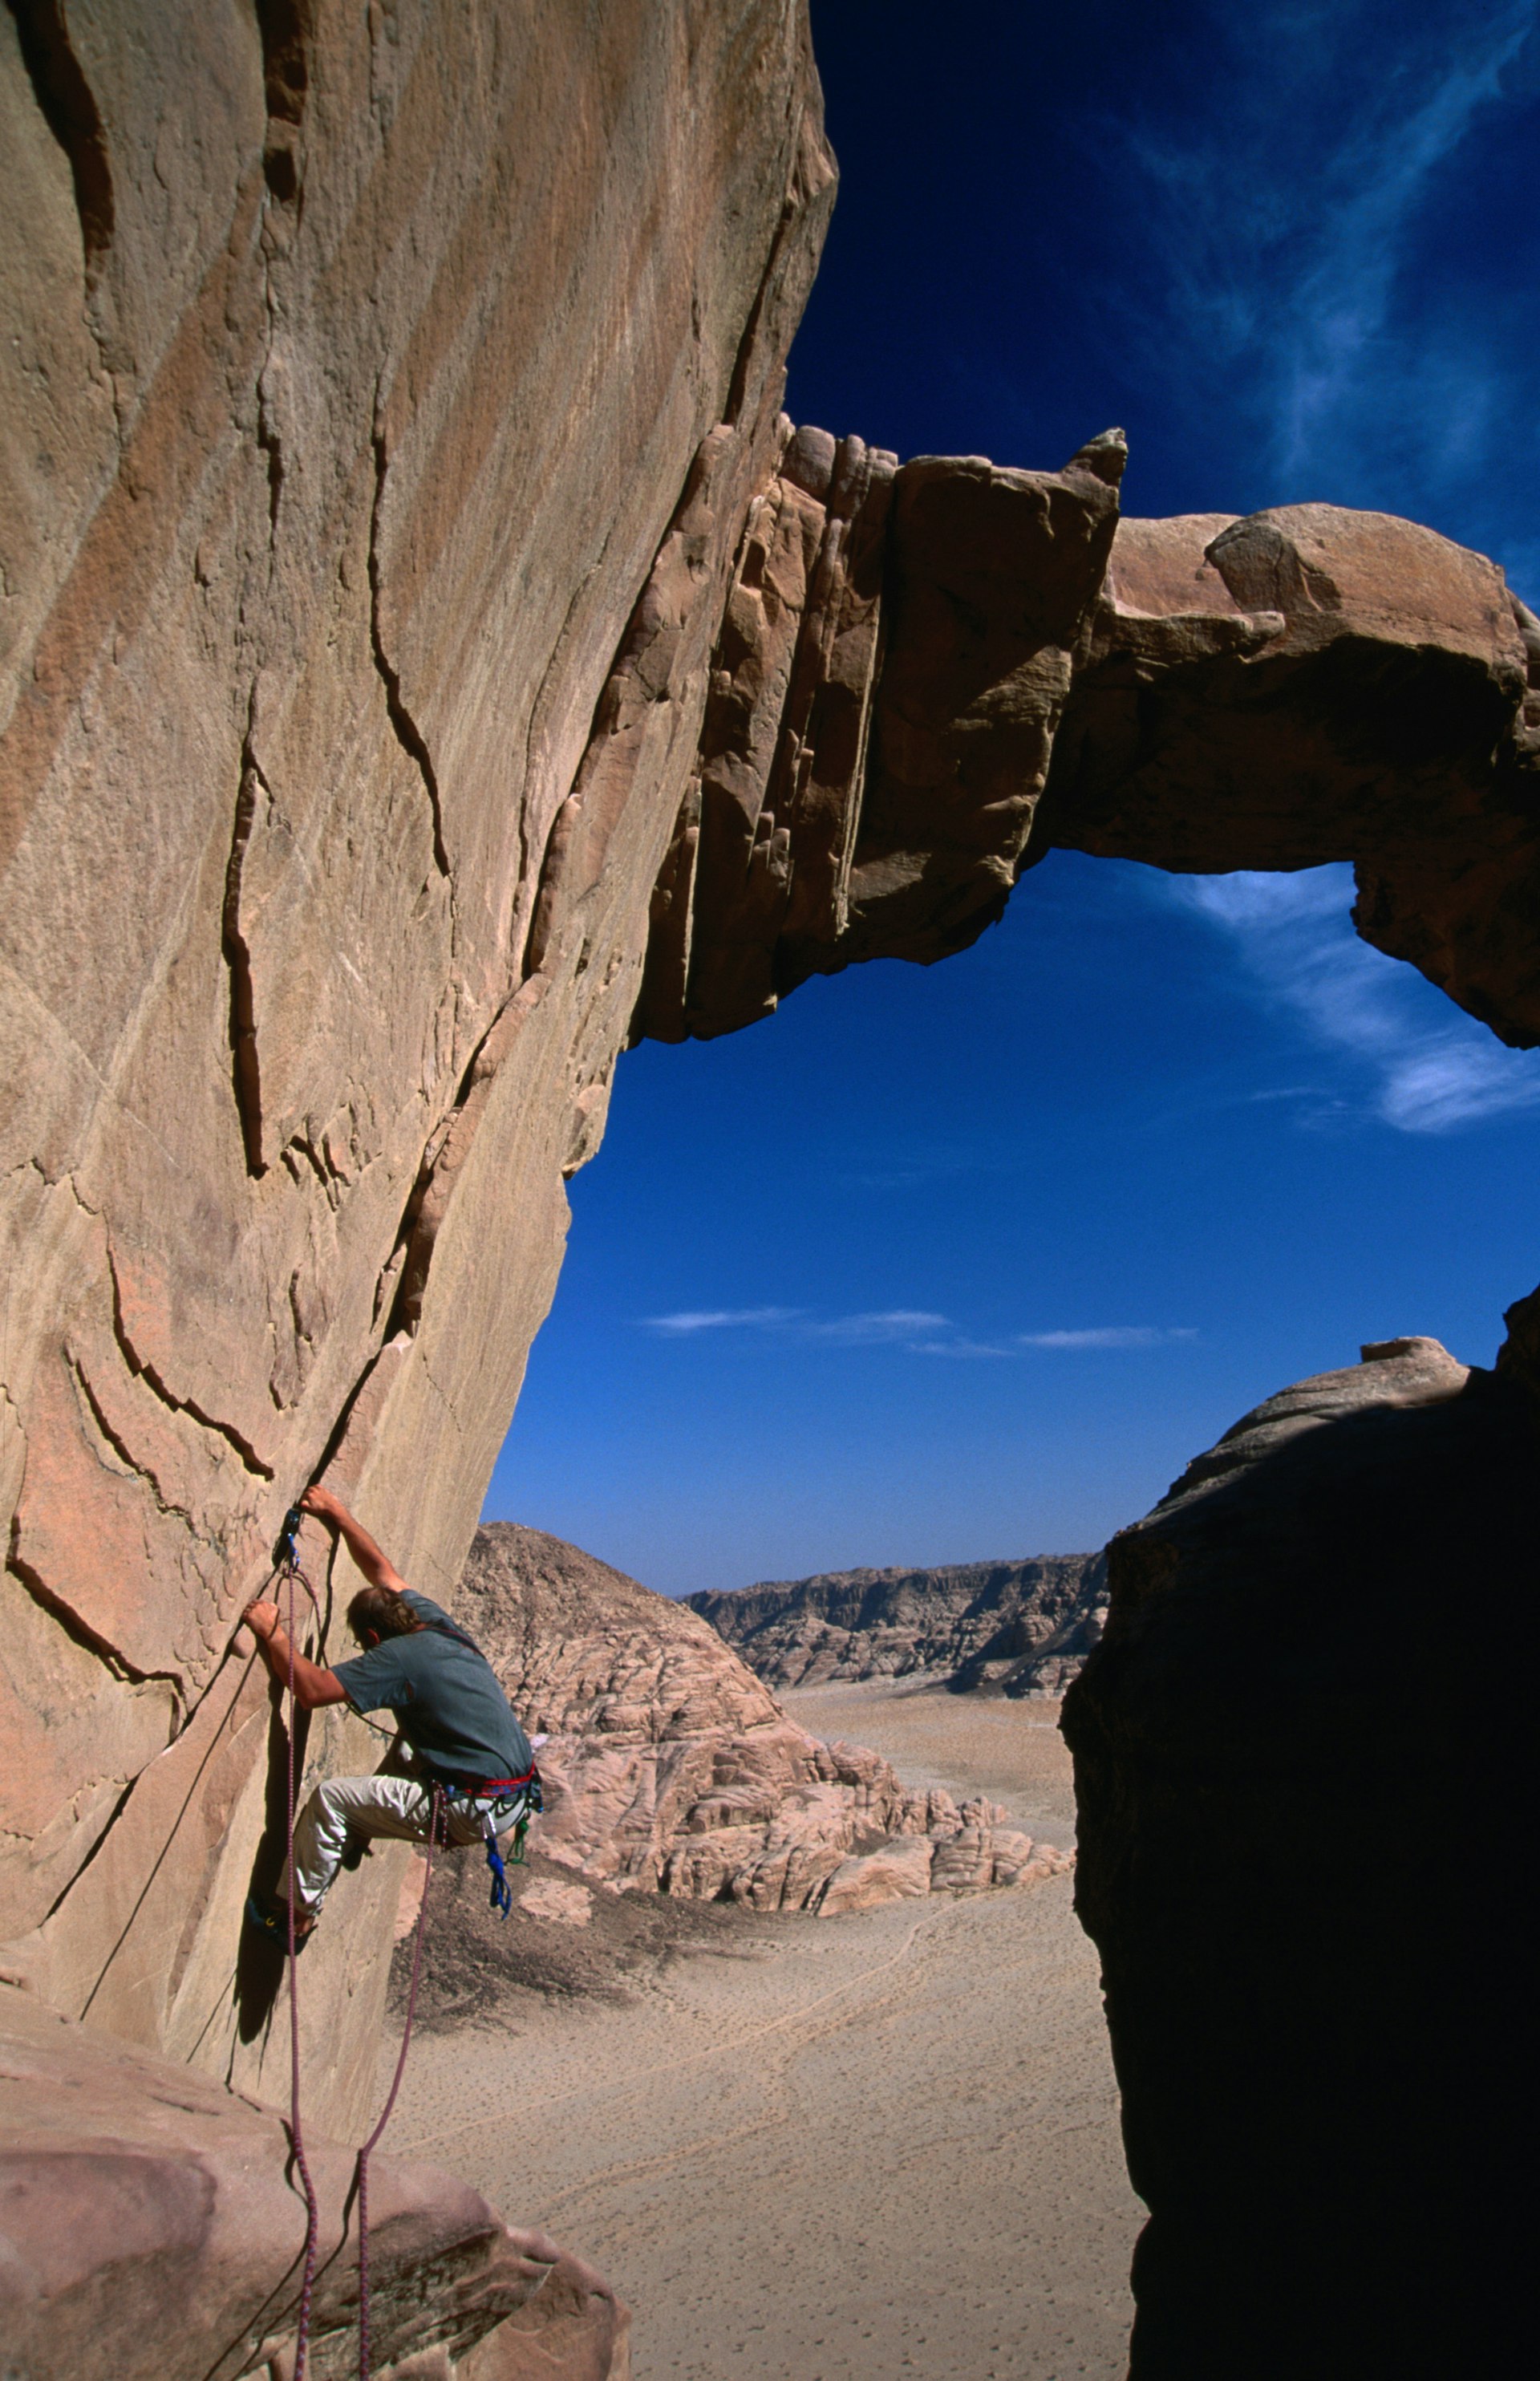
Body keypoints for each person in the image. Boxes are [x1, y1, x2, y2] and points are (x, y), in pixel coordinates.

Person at [241, 1483, 540, 1947]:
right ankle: (360, 1834)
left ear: (376, 1641)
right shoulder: (435, 1622)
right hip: (510, 1794)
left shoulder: (396, 1659)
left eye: (364, 1647)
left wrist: (273, 1634)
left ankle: (296, 1918)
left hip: (469, 1807)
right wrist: (336, 1514)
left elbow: (313, 1691)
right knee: (406, 1744)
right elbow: (383, 1572)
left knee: (331, 1801)